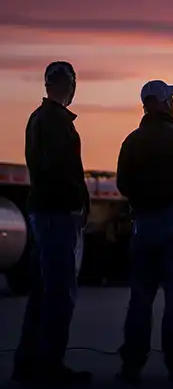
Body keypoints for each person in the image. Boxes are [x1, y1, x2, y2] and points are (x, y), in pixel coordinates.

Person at [115, 80, 173, 383]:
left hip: (143, 224)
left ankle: (131, 365)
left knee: (140, 298)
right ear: (168, 102)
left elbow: (122, 184)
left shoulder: (132, 141)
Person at [12, 61, 92, 385]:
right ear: (68, 86)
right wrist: (77, 202)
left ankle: (27, 364)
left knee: (43, 293)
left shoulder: (38, 118)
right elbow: (61, 170)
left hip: (45, 214)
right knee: (59, 295)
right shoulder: (56, 122)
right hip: (58, 216)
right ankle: (50, 367)